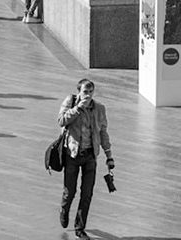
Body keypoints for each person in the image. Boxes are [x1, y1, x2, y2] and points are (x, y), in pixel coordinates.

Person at [57, 76, 114, 239]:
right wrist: (78, 108)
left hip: (90, 155)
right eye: (84, 92)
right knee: (70, 191)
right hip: (72, 155)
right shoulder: (71, 102)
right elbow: (61, 120)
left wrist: (109, 155)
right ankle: (64, 209)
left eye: (90, 92)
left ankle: (80, 228)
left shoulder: (99, 108)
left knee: (87, 193)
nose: (88, 95)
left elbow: (103, 132)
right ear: (79, 92)